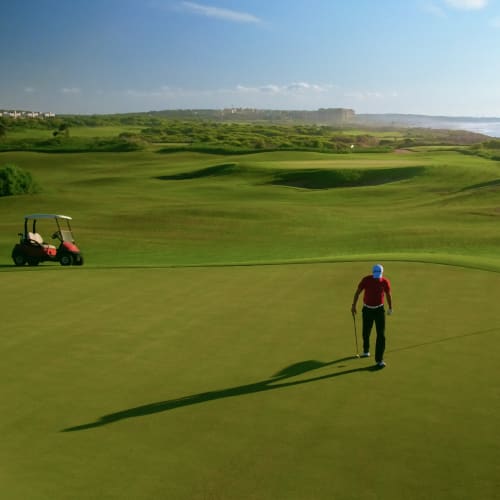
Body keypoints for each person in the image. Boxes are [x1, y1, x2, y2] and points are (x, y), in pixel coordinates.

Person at [351, 264, 393, 368]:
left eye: (378, 274)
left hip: (379, 310)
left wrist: (390, 307)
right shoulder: (366, 280)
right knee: (366, 332)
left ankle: (379, 359)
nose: (377, 276)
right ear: (372, 272)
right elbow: (357, 293)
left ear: (381, 273)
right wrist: (353, 305)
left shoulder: (384, 281)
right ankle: (366, 350)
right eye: (375, 274)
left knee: (381, 335)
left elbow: (388, 294)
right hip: (367, 310)